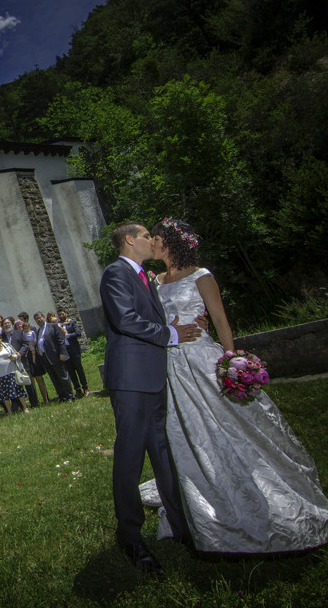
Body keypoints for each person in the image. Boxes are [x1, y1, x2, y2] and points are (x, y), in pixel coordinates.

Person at [142, 218, 328, 553]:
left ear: (171, 241)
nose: (153, 243)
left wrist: (231, 362)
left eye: (156, 238)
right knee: (185, 432)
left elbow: (219, 320)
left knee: (232, 425)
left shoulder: (202, 276)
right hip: (171, 365)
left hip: (202, 359)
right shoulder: (155, 282)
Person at [99, 221, 201, 575]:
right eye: (146, 236)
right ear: (130, 240)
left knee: (162, 452)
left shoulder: (145, 277)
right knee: (130, 456)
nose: (152, 241)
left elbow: (146, 316)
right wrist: (171, 333)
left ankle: (180, 526)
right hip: (131, 379)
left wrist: (176, 323)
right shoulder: (116, 274)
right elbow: (126, 320)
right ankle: (130, 536)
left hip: (154, 377)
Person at [0, 333, 28, 415]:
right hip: (0, 376)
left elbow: (17, 356)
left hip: (12, 372)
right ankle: (9, 411)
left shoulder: (7, 346)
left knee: (19, 391)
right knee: (5, 395)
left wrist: (12, 356)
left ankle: (25, 408)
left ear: (1, 339)